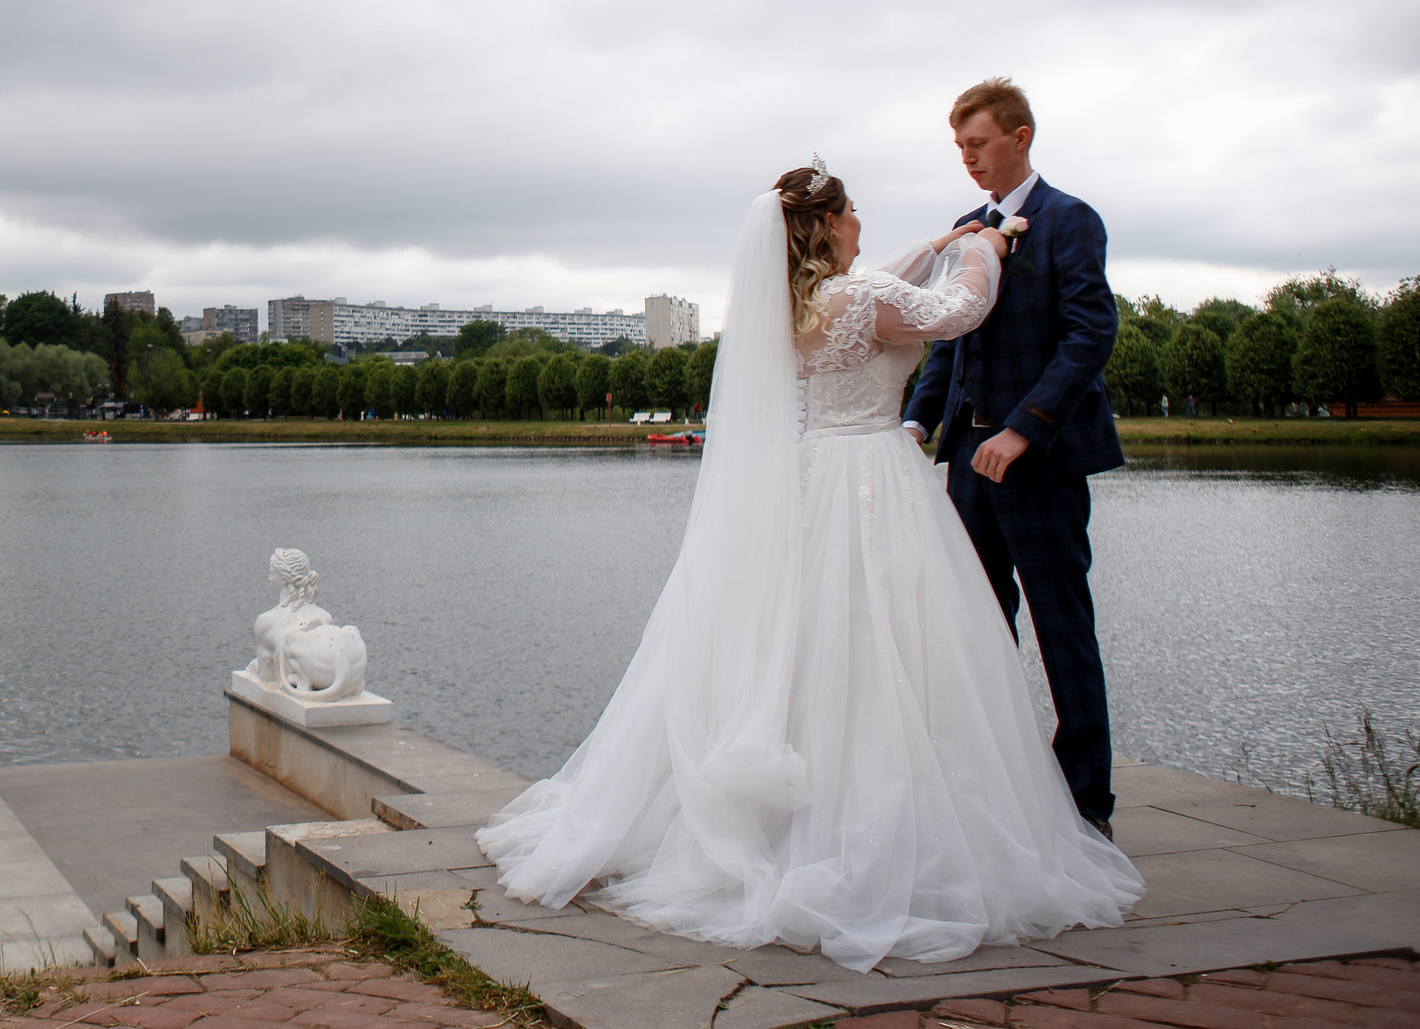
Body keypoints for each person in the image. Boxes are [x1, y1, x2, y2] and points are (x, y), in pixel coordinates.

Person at [476, 162, 1139, 972]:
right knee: (889, 647)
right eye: (852, 211)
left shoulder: (800, 306)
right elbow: (961, 313)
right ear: (825, 226)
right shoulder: (860, 301)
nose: (862, 221)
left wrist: (936, 239)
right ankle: (894, 828)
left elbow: (881, 285)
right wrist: (988, 247)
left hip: (818, 476)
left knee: (821, 644)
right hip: (873, 482)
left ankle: (814, 814)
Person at [902, 78, 1125, 836]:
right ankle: (995, 796)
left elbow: (1089, 335)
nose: (967, 158)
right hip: (967, 462)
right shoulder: (969, 228)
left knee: (1064, 630)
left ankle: (1086, 808)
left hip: (1041, 460)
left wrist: (1024, 427)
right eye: (959, 146)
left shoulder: (1070, 220)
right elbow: (948, 338)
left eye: (979, 143)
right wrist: (915, 424)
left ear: (1020, 137)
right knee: (980, 631)